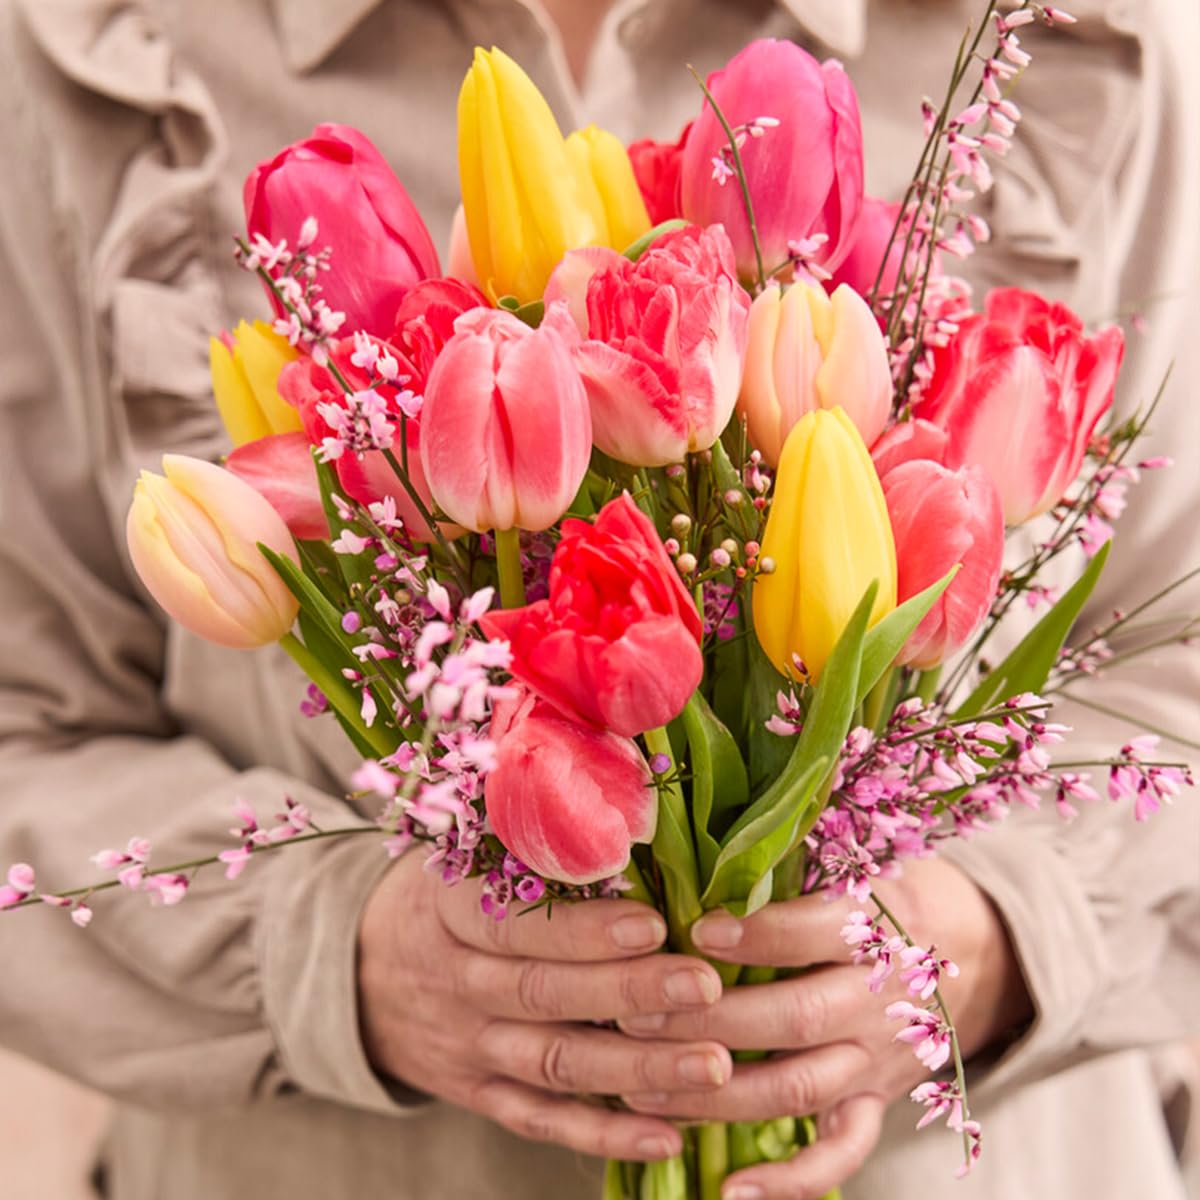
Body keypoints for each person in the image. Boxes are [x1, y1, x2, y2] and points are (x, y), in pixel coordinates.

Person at [0, 0, 1197, 1197]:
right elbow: (22, 724)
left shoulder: (1081, 34)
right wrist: (327, 955)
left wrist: (1011, 933)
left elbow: (1175, 662)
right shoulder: (104, 45)